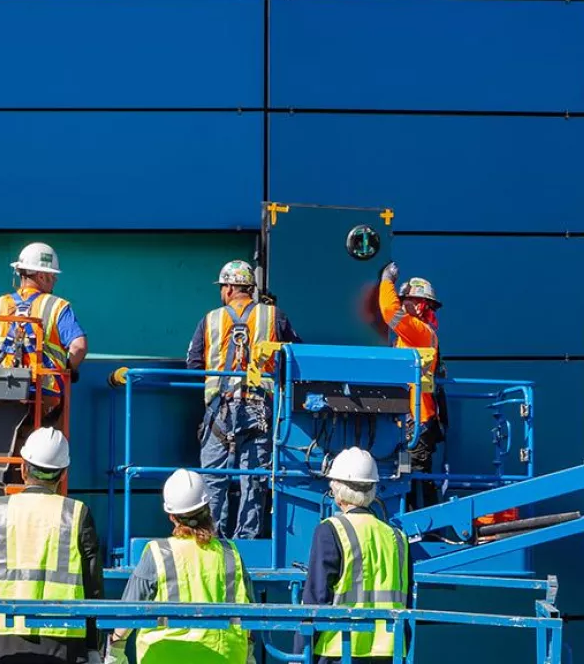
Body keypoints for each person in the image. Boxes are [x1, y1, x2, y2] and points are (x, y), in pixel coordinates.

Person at [186, 260, 300, 539]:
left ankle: (210, 535)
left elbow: (193, 364)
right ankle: (247, 538)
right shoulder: (274, 316)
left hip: (218, 408)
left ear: (228, 288)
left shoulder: (211, 319)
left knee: (213, 476)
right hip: (259, 407)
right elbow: (295, 356)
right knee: (254, 477)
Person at [105, 469, 255, 664]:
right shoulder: (231, 553)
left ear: (171, 516)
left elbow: (128, 613)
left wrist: (115, 650)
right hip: (224, 657)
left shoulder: (157, 552)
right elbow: (249, 611)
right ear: (208, 508)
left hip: (165, 657)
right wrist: (249, 652)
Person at [0, 427, 103, 664]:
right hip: (62, 638)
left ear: (23, 468)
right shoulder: (77, 514)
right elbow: (93, 585)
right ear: (63, 474)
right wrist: (92, 646)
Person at [0, 243, 88, 480]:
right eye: (52, 277)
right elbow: (79, 346)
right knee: (45, 458)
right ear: (41, 275)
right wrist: (69, 369)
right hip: (45, 395)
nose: (54, 282)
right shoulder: (57, 306)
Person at [295, 448, 409, 663]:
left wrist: (300, 651)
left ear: (337, 492)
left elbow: (316, 598)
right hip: (391, 651)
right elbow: (406, 599)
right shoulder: (397, 537)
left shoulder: (330, 530)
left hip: (341, 648)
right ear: (372, 490)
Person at [378, 262, 444, 508]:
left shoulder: (418, 331)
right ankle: (424, 529)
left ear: (418, 305)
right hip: (411, 420)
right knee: (413, 478)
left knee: (414, 479)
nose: (402, 305)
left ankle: (426, 532)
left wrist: (387, 282)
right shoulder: (412, 336)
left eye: (406, 301)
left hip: (416, 422)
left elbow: (388, 311)